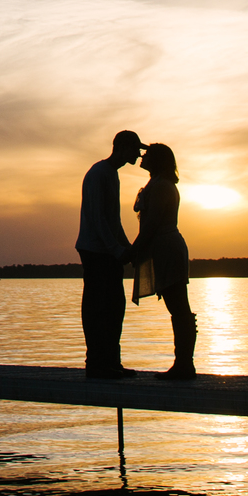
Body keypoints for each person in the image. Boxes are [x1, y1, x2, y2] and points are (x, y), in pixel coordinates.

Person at [75, 129, 144, 378]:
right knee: (98, 307)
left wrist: (126, 248)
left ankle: (112, 361)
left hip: (107, 251)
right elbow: (98, 218)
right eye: (136, 149)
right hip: (95, 251)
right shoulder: (98, 174)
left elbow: (113, 221)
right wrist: (117, 250)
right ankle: (96, 363)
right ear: (123, 148)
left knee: (115, 306)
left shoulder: (112, 175)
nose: (138, 154)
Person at [127, 143, 197, 379]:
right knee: (177, 308)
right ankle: (184, 363)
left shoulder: (162, 187)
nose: (142, 156)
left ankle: (185, 364)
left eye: (147, 154)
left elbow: (152, 223)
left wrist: (134, 250)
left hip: (167, 248)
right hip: (163, 248)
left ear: (157, 160)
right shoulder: (157, 183)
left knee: (179, 308)